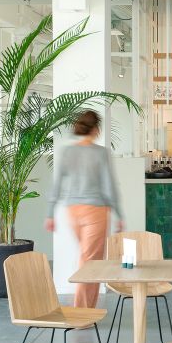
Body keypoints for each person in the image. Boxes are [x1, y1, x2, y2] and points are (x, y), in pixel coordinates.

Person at [45, 109, 123, 308]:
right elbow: (109, 186)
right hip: (95, 211)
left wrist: (50, 214)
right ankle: (82, 313)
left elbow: (57, 184)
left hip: (73, 212)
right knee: (90, 262)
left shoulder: (67, 151)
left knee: (89, 259)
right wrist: (119, 214)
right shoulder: (100, 153)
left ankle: (88, 310)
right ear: (95, 129)